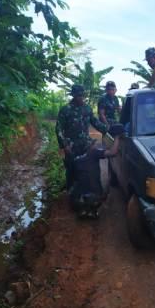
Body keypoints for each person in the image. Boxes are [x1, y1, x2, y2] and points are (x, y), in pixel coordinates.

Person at [55, 84, 113, 217]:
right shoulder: (66, 110)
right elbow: (58, 129)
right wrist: (64, 145)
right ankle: (72, 197)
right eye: (79, 95)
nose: (81, 98)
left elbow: (95, 122)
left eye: (83, 95)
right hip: (71, 146)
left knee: (86, 171)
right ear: (74, 95)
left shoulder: (87, 109)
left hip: (85, 145)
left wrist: (108, 129)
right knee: (71, 170)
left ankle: (86, 197)